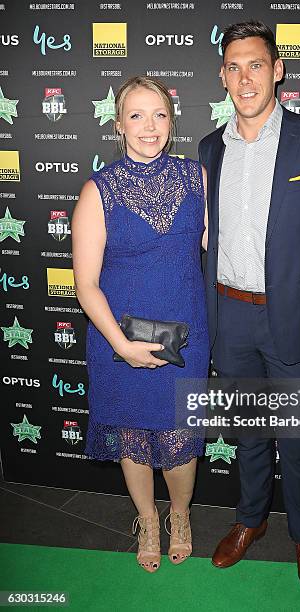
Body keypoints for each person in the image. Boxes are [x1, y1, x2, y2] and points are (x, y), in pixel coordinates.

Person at [199, 21, 300, 590]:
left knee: (294, 442)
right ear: (223, 75)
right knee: (248, 432)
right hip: (231, 316)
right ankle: (249, 522)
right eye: (234, 66)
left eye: (256, 65)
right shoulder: (208, 148)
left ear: (278, 70)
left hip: (295, 319)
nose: (245, 77)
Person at [72, 76, 209, 573]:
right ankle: (147, 520)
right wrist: (122, 344)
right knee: (133, 435)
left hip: (187, 333)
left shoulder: (198, 177)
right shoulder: (98, 189)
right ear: (118, 124)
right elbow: (85, 283)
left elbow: (209, 251)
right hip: (120, 337)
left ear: (171, 122)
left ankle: (181, 516)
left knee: (180, 439)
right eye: (136, 115)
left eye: (159, 115)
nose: (149, 126)